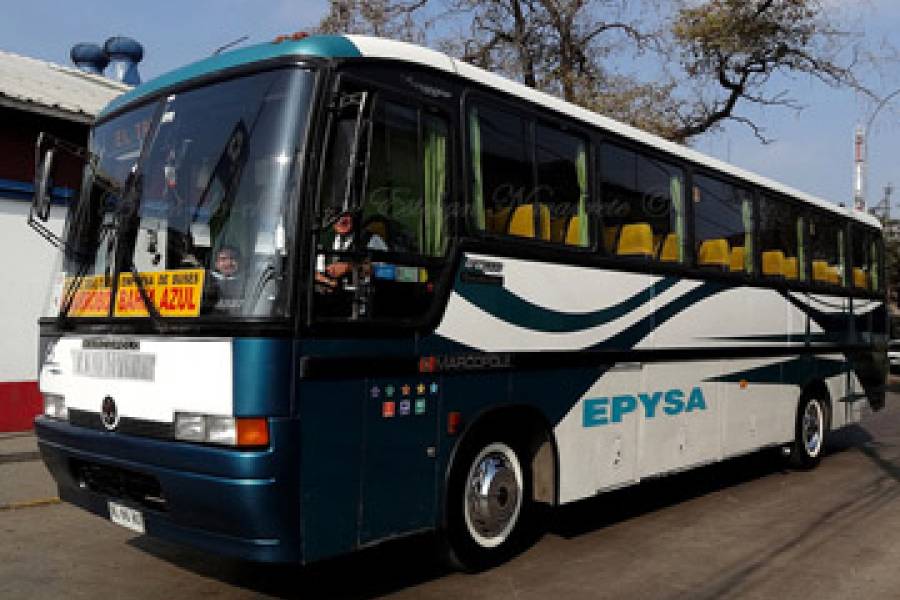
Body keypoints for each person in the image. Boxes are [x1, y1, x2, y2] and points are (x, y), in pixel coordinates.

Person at [315, 212, 387, 291]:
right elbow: (314, 272)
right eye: (336, 216)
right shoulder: (324, 241)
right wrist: (326, 281)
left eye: (345, 214)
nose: (341, 219)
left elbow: (387, 272)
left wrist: (350, 268)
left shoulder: (372, 239)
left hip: (360, 297)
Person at [210, 244, 243, 311]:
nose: (228, 263)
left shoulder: (248, 282)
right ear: (216, 264)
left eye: (233, 258)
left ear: (239, 262)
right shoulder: (208, 281)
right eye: (223, 259)